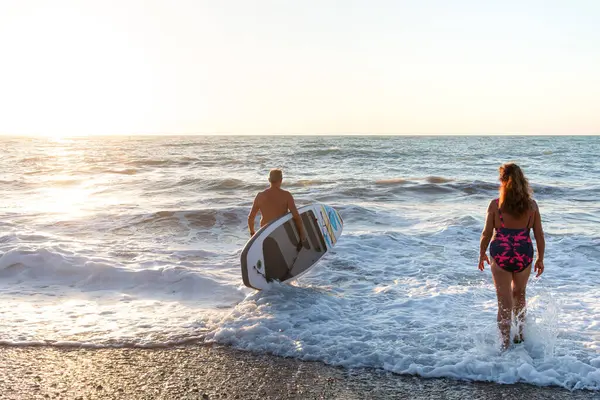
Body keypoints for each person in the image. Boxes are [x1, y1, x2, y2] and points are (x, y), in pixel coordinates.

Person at [478, 163, 546, 350]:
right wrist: (540, 258)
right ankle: (520, 337)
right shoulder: (532, 206)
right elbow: (539, 235)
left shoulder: (495, 205)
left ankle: (504, 344)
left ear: (502, 181)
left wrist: (482, 252)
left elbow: (486, 233)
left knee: (504, 303)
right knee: (520, 296)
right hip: (523, 253)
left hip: (501, 253)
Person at [248, 169, 305, 242]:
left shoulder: (260, 196)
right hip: (282, 231)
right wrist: (302, 233)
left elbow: (251, 217)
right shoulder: (286, 195)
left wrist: (252, 233)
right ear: (281, 180)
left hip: (265, 232)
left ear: (269, 180)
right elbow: (296, 216)